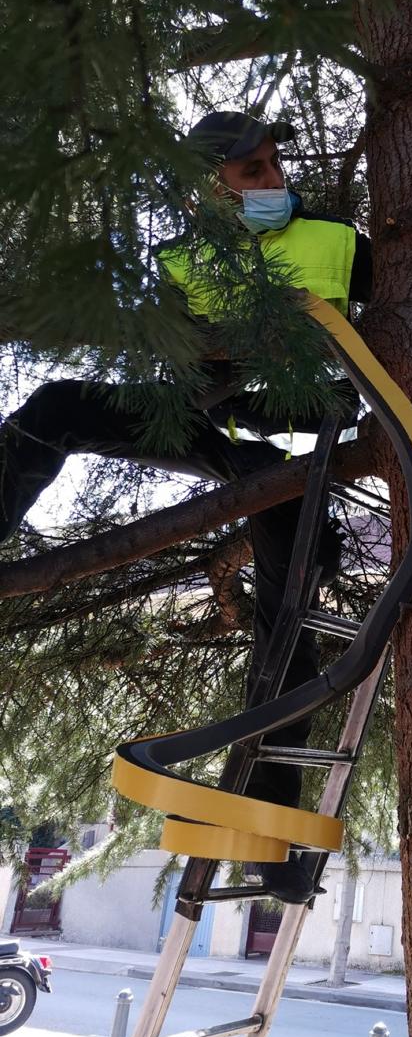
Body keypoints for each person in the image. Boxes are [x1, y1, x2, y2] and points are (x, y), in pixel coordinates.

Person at [0, 111, 372, 901]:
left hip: (295, 444)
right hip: (213, 431)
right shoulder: (182, 258)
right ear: (211, 188)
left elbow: (372, 368)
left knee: (287, 623)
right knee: (55, 405)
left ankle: (267, 837)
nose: (273, 181)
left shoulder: (339, 242)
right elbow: (176, 374)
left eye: (274, 164)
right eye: (251, 173)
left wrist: (282, 404)